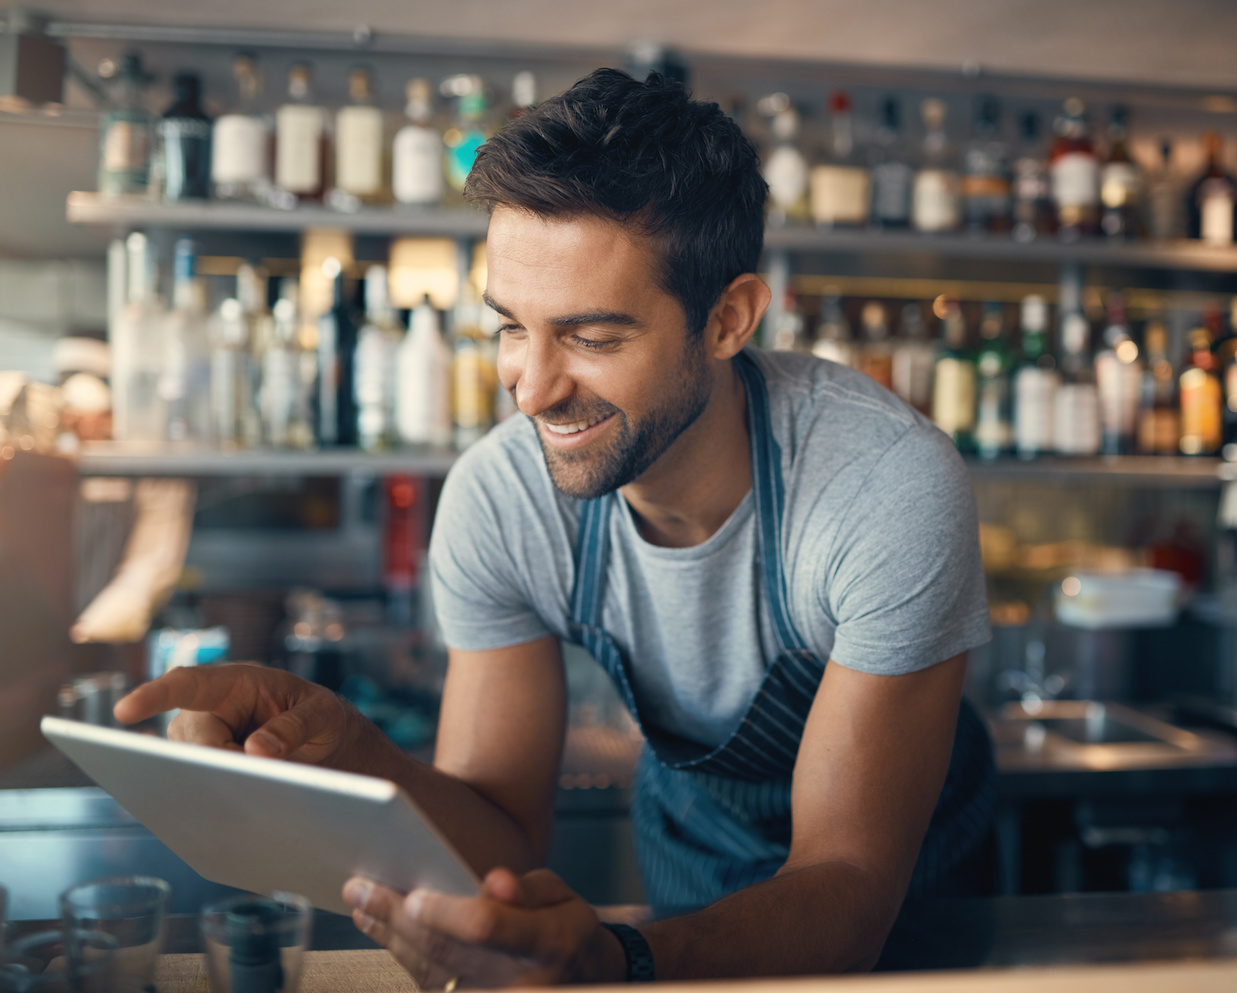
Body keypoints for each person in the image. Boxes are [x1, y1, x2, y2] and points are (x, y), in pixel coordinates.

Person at [114, 68, 996, 987]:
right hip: (685, 879)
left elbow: (849, 885)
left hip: (910, 913)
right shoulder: (502, 498)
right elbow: (498, 827)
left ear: (728, 318)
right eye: (509, 327)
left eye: (592, 337)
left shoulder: (882, 487)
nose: (531, 389)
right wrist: (353, 754)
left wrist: (617, 958)